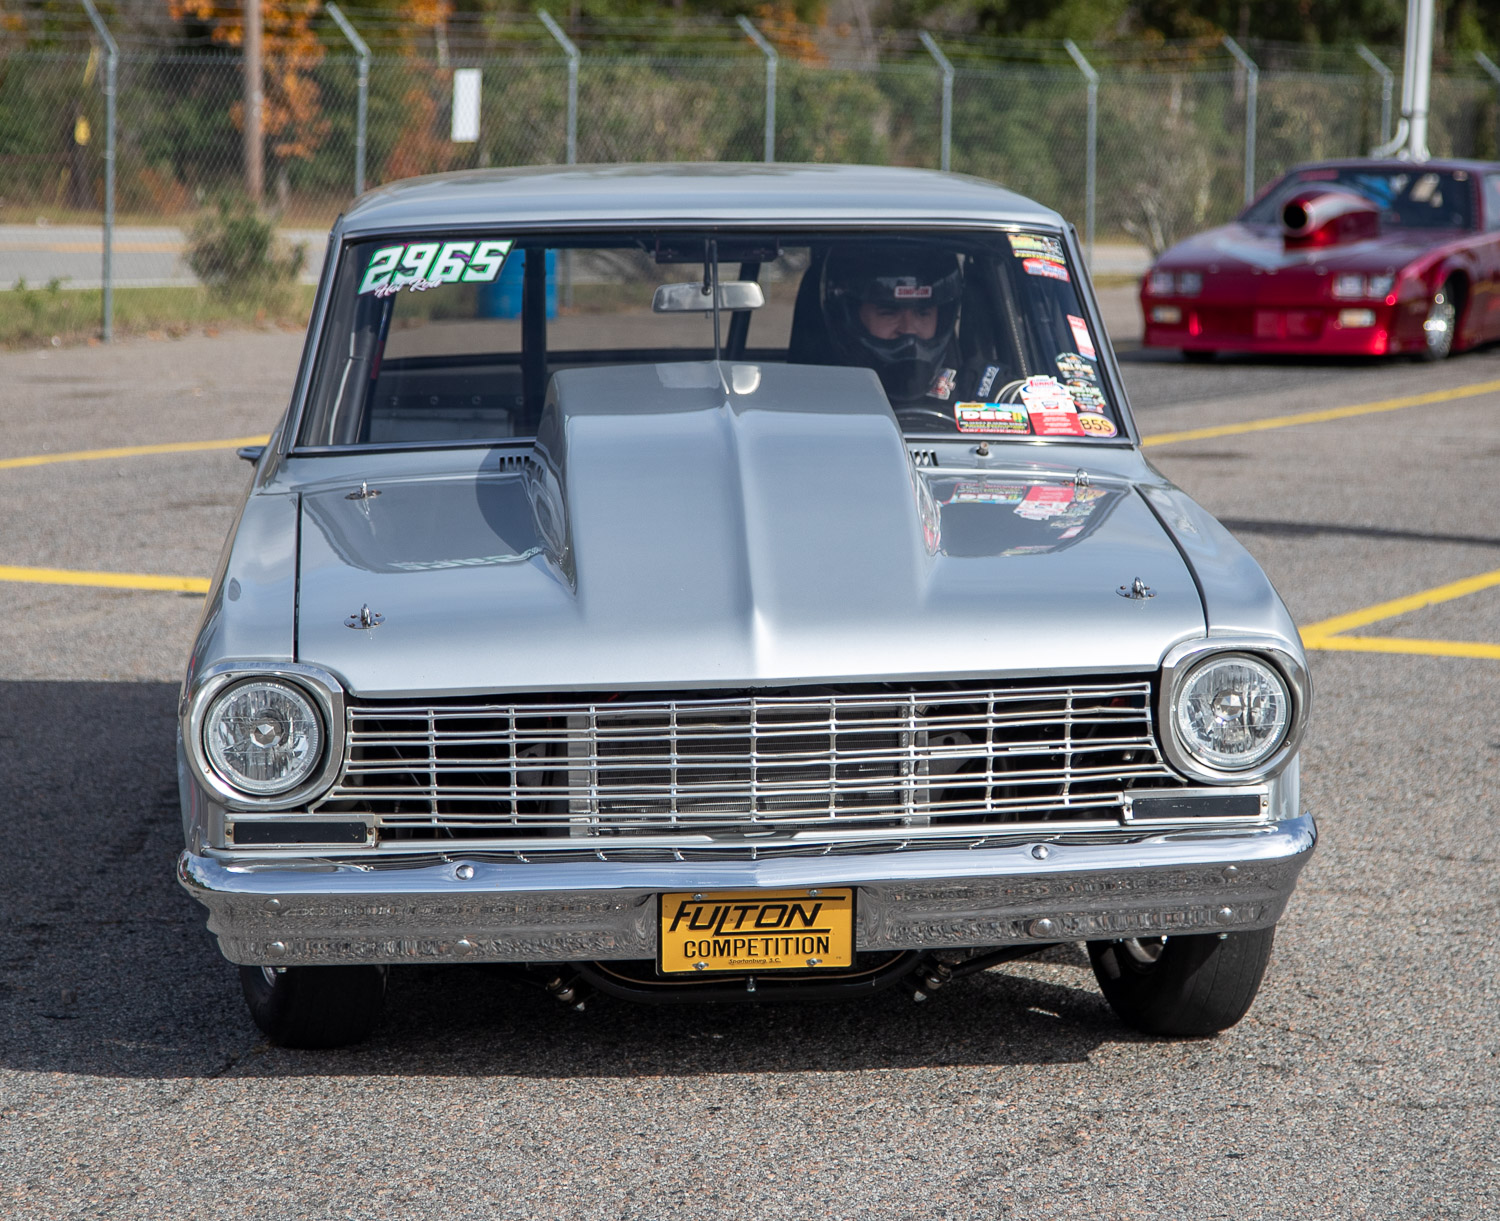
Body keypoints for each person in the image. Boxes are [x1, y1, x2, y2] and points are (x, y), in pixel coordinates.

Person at [819, 245, 1003, 428]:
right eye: (888, 313)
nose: (908, 329)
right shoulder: (816, 395)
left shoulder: (981, 389)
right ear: (851, 317)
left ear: (943, 318)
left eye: (923, 313)